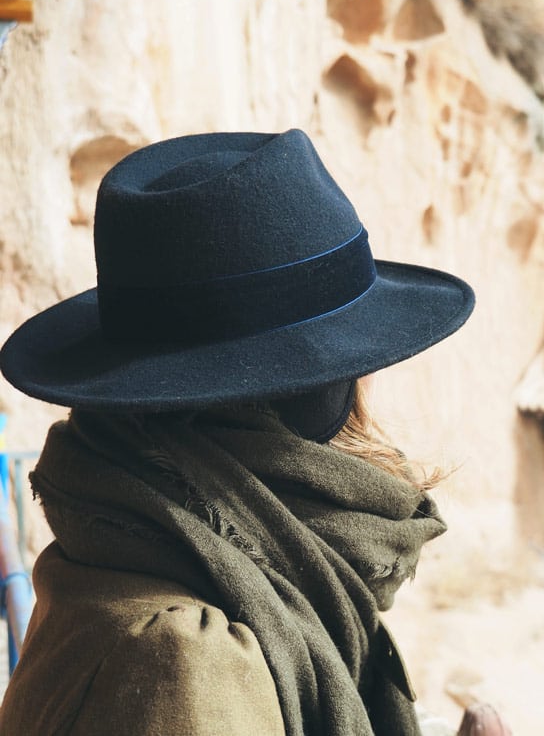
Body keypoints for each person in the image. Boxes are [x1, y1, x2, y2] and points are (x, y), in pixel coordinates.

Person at [0, 129, 476, 735]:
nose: (372, 383)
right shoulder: (186, 661)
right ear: (316, 401)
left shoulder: (122, 555)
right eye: (360, 362)